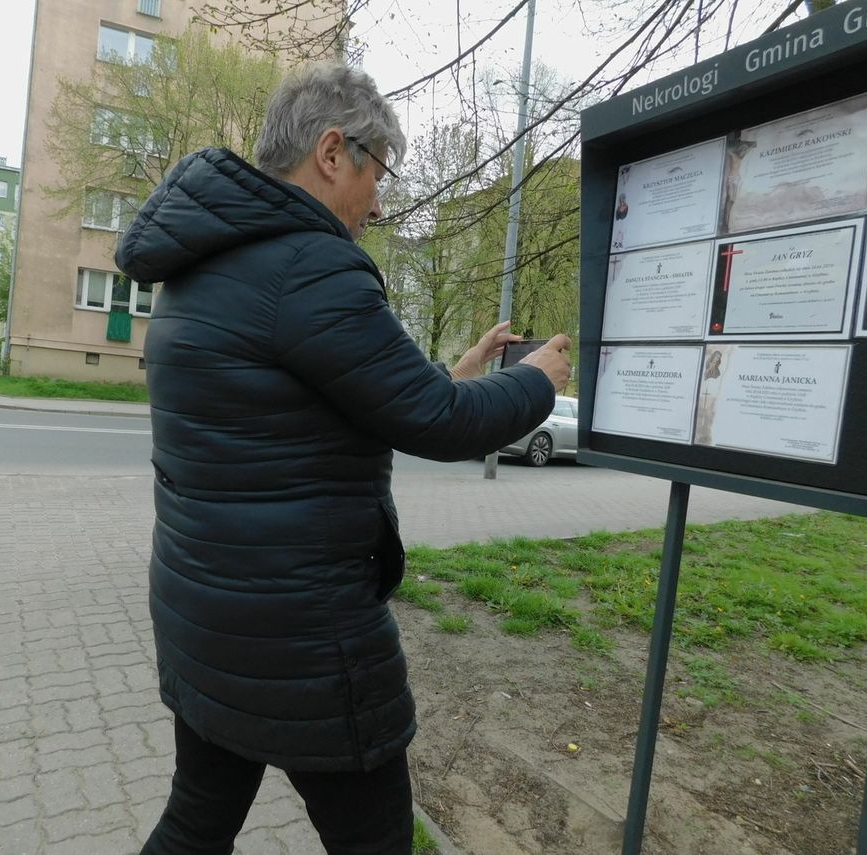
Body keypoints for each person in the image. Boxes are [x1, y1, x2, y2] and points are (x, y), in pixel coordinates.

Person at [115, 62, 571, 855]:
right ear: (334, 152)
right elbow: (434, 423)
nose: (380, 200)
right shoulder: (309, 263)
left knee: (195, 823)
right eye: (377, 171)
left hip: (207, 616)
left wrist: (457, 372)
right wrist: (537, 384)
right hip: (303, 642)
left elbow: (330, 401)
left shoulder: (203, 264)